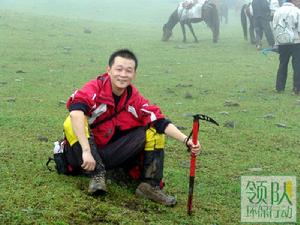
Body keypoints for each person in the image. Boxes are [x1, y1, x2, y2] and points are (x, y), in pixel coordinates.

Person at [62, 49, 201, 206]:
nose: (123, 75)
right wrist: (86, 151)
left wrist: (186, 140)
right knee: (72, 120)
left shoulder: (134, 98)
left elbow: (158, 120)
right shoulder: (95, 88)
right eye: (119, 69)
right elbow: (75, 113)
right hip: (81, 154)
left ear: (134, 74)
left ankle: (149, 186)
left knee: (154, 130)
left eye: (129, 70)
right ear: (109, 70)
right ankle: (98, 175)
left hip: (109, 152)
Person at [273, 0, 300, 94]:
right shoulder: (296, 11)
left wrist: (276, 43)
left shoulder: (277, 11)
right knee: (297, 65)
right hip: (296, 42)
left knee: (282, 64)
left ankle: (279, 87)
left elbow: (275, 27)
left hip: (282, 42)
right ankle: (297, 88)